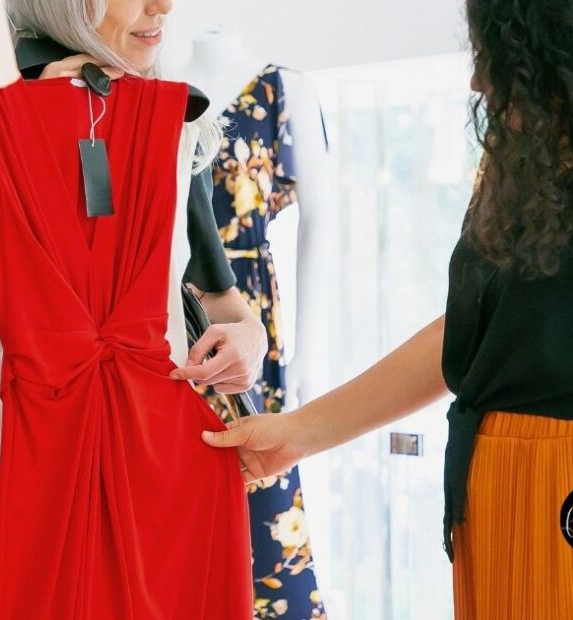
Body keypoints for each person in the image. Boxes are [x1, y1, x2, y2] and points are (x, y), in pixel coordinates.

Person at [203, 0, 573, 617]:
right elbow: (469, 338)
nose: (480, 80)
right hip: (490, 482)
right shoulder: (520, 162)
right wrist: (295, 434)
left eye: (496, 57)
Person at [0, 1, 267, 617]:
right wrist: (22, 128)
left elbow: (228, 307)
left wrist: (249, 341)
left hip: (151, 469)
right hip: (3, 470)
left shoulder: (172, 121)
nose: (161, 7)